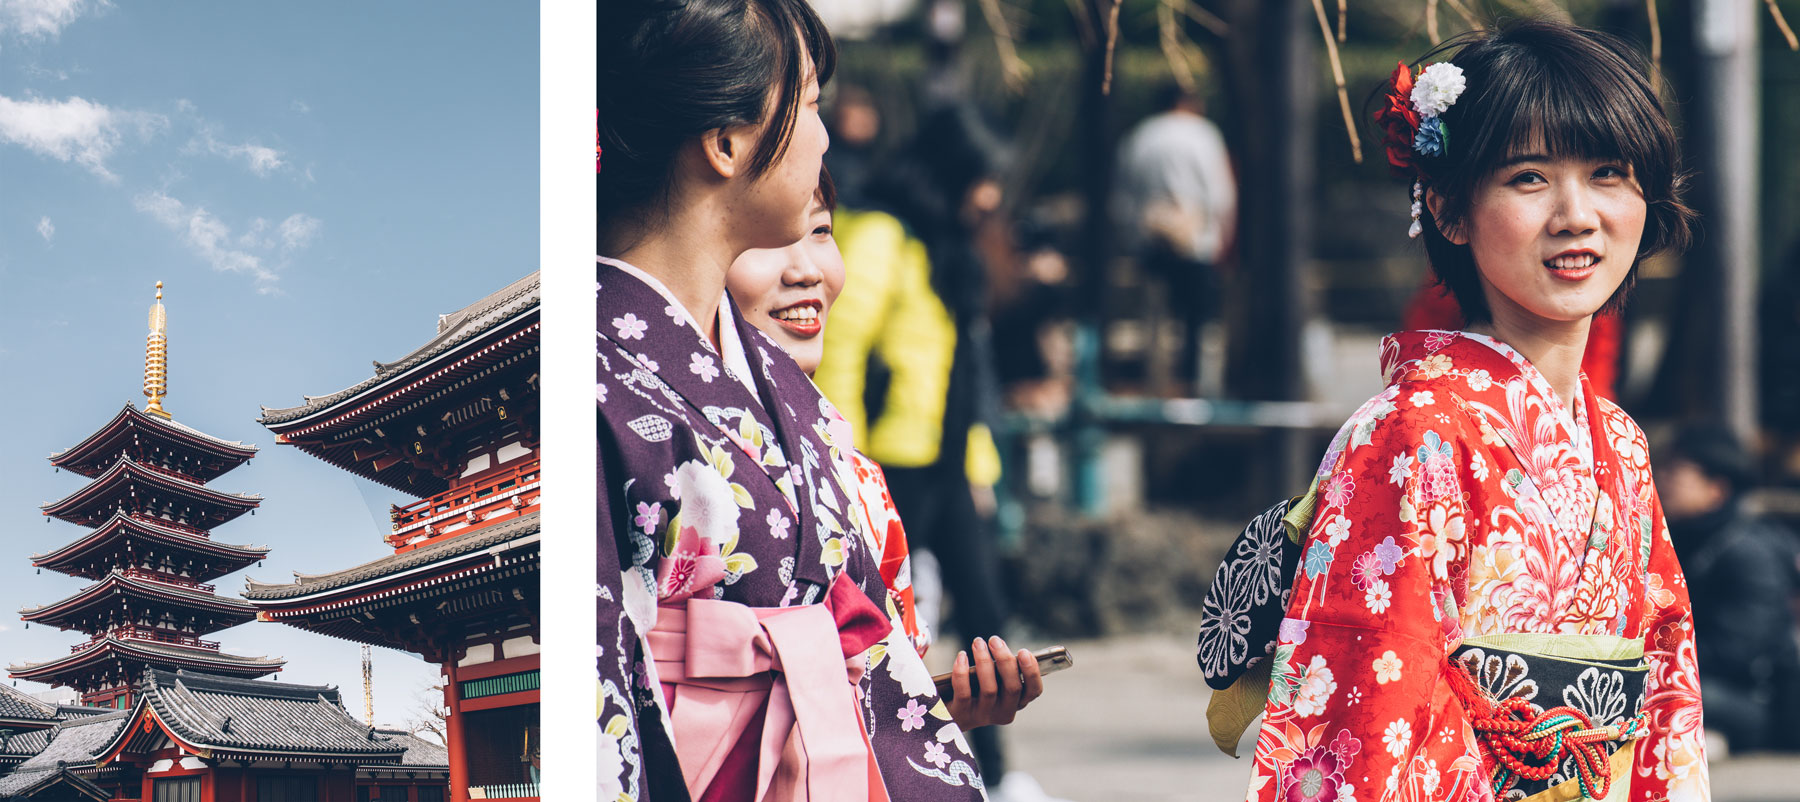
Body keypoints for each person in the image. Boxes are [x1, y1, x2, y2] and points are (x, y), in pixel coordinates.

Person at [1242, 21, 1707, 801]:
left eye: (1608, 173)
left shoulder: (1620, 441)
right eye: (1529, 177)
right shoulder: (1415, 430)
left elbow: (1665, 679)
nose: (1576, 214)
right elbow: (1373, 695)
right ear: (1451, 211)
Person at [598, 4, 1012, 799]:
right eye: (812, 102)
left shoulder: (794, 397)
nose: (824, 135)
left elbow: (861, 649)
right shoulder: (598, 383)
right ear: (726, 145)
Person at [724, 168, 1045, 731]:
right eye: (770, 240)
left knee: (963, 613)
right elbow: (846, 345)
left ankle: (992, 764)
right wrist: (833, 444)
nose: (805, 267)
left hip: (932, 455)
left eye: (821, 231)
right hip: (893, 447)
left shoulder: (947, 249)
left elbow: (961, 370)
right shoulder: (884, 236)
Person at [1660, 424, 1800, 754]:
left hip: (1756, 703)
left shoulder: (1749, 552)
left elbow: (1738, 651)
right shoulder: (1692, 540)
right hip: (1709, 682)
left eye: (1675, 470)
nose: (1661, 479)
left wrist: (1663, 659)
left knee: (1658, 691)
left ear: (1716, 489)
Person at [1111, 83, 1236, 393]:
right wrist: (1222, 237)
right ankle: (1191, 385)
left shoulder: (1139, 136)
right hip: (1194, 239)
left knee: (1154, 318)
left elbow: (1123, 195)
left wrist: (1131, 236)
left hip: (1150, 237)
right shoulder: (1203, 134)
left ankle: (1154, 382)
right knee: (1194, 321)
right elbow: (1220, 193)